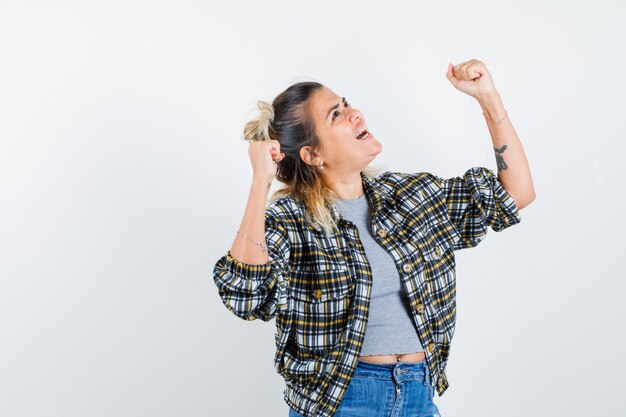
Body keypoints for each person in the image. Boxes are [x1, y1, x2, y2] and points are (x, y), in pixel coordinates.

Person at [212, 59, 535, 417]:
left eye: (347, 103)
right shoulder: (291, 220)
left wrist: (488, 98)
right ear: (312, 154)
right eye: (336, 115)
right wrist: (261, 180)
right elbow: (245, 294)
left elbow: (516, 193)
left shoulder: (410, 197)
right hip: (342, 401)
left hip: (418, 395)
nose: (355, 114)